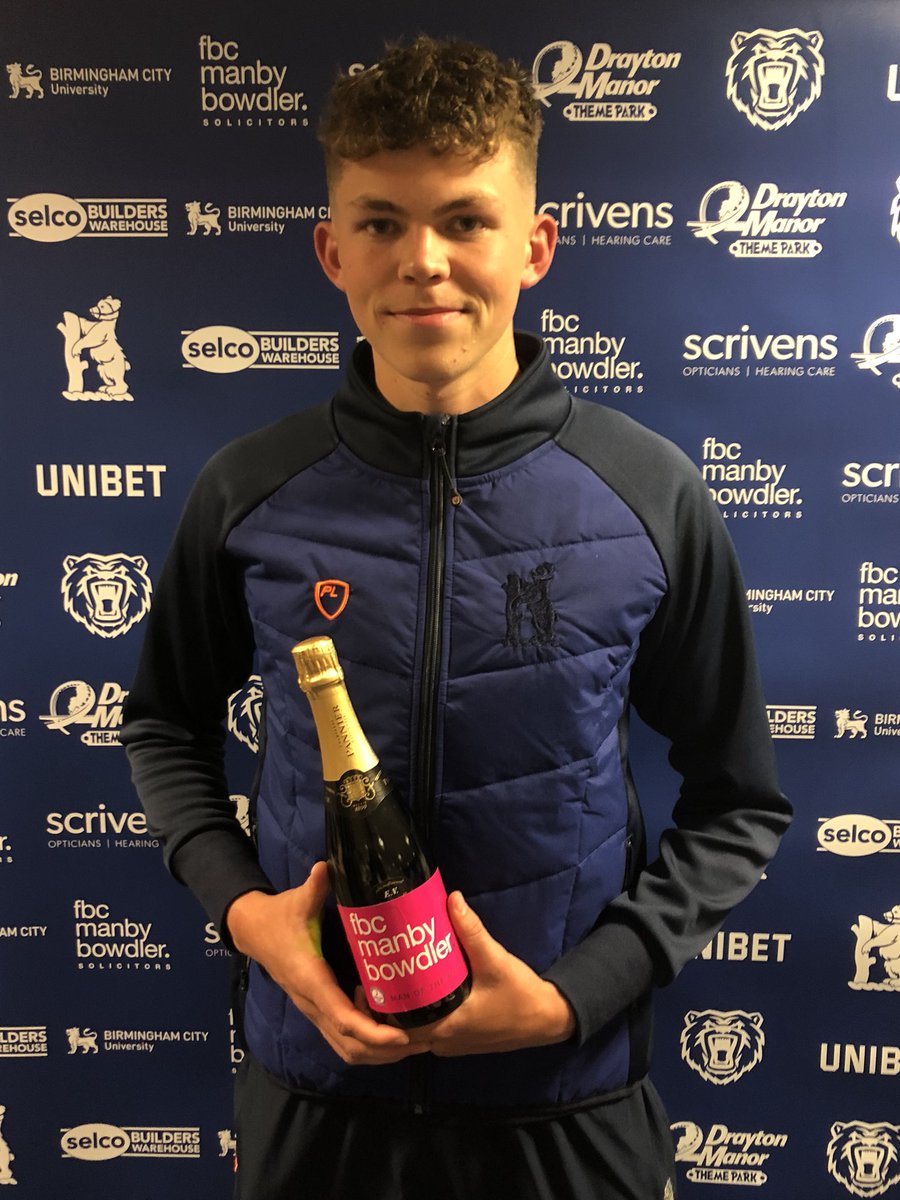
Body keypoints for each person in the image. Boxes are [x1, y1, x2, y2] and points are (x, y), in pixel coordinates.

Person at [122, 35, 791, 1200]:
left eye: (465, 221)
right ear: (333, 251)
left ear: (532, 247)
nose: (424, 263)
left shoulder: (650, 493)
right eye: (381, 223)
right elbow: (164, 730)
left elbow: (740, 801)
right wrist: (248, 917)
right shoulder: (248, 490)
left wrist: (580, 993)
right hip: (315, 1098)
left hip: (564, 1101)